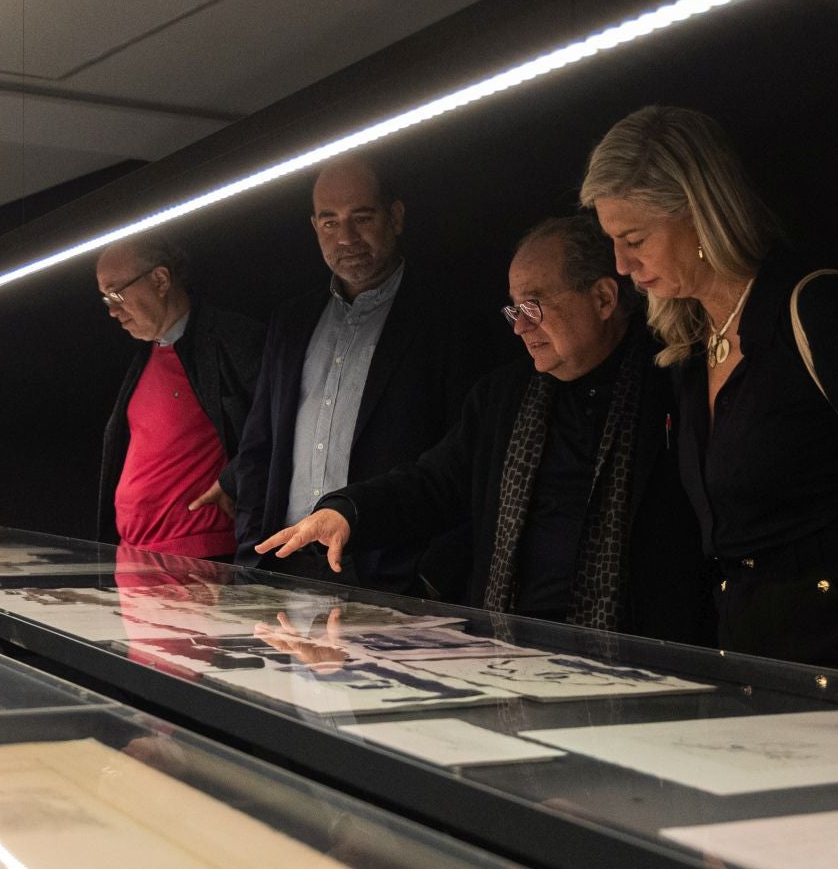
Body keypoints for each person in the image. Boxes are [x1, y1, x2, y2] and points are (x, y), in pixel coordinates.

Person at [253, 215, 704, 641]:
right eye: (514, 310)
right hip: (512, 651)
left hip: (648, 653)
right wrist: (347, 512)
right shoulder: (504, 395)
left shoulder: (675, 384)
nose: (520, 327)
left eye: (534, 306)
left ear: (604, 298)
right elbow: (434, 482)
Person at [581, 106, 838, 670]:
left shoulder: (815, 309)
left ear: (701, 213)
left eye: (634, 238)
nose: (622, 264)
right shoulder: (690, 343)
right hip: (756, 663)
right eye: (612, 241)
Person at [228, 156, 485, 595]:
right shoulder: (291, 321)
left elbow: (468, 455)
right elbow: (258, 449)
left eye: (362, 218)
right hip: (285, 564)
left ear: (396, 217)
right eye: (330, 222)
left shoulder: (449, 318)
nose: (346, 238)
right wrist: (253, 552)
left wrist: (431, 574)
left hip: (389, 574)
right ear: (314, 226)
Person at [95, 233, 263, 559]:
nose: (112, 311)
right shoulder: (144, 357)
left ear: (160, 279)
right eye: (106, 299)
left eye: (116, 293)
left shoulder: (234, 341)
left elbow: (283, 425)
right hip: (133, 559)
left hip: (197, 563)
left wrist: (233, 479)